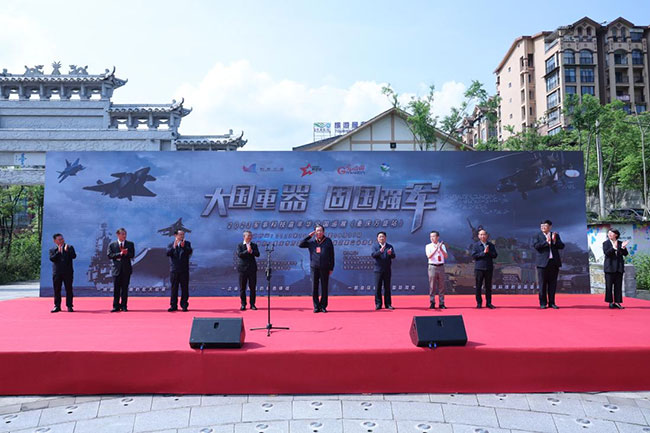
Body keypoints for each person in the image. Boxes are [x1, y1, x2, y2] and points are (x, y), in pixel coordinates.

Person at [299, 224, 335, 313]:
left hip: (325, 267)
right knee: (314, 287)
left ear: (323, 232)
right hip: (314, 268)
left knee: (324, 287)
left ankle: (323, 306)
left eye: (321, 230)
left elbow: (332, 255)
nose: (319, 232)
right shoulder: (311, 242)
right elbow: (300, 244)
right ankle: (316, 306)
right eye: (317, 231)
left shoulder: (328, 241)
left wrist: (331, 268)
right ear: (315, 232)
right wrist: (308, 236)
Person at [533, 219, 564, 309]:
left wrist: (554, 241)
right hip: (542, 264)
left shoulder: (555, 235)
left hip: (553, 263)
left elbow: (562, 246)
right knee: (542, 284)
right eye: (541, 226)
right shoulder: (537, 236)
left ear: (550, 227)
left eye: (545, 226)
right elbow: (536, 246)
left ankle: (552, 303)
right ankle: (543, 303)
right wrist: (546, 242)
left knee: (552, 284)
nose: (543, 227)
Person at [107, 228, 135, 312]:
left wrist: (126, 253)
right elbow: (109, 255)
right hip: (116, 270)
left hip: (126, 269)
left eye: (125, 234)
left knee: (124, 289)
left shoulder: (130, 244)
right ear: (118, 235)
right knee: (116, 289)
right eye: (122, 234)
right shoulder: (112, 245)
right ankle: (116, 306)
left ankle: (124, 306)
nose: (124, 236)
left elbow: (132, 255)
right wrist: (120, 254)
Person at [48, 233, 76, 312]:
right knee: (57, 289)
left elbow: (74, 256)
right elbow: (52, 259)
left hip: (68, 272)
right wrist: (58, 252)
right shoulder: (53, 249)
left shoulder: (69, 247)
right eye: (59, 239)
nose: (61, 241)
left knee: (69, 289)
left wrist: (67, 251)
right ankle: (57, 306)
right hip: (57, 273)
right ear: (55, 241)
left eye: (62, 239)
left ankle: (69, 306)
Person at [167, 229, 193, 312]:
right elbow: (168, 253)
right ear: (175, 235)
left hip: (184, 270)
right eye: (180, 234)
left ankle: (184, 305)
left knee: (184, 288)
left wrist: (183, 247)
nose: (182, 236)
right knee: (174, 289)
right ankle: (173, 305)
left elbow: (189, 251)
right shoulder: (171, 244)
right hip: (174, 270)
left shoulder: (187, 243)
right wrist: (174, 247)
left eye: (183, 234)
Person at [471, 229, 498, 309]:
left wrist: (488, 252)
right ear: (478, 236)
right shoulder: (475, 245)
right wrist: (483, 253)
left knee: (488, 287)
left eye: (484, 234)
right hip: (479, 268)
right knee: (478, 286)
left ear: (487, 235)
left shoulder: (491, 245)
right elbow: (474, 256)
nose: (483, 236)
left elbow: (495, 255)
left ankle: (488, 303)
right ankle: (479, 303)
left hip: (488, 268)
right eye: (481, 234)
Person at [603, 228, 629, 309]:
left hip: (619, 268)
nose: (609, 234)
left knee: (618, 286)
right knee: (609, 286)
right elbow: (607, 253)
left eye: (611, 233)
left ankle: (617, 302)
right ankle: (610, 302)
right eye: (608, 233)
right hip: (609, 268)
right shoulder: (606, 243)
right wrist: (613, 248)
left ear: (616, 235)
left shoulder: (620, 243)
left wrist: (623, 247)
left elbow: (625, 254)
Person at [371, 231, 396, 310]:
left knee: (387, 287)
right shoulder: (375, 246)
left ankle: (388, 304)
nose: (381, 238)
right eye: (380, 237)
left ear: (385, 238)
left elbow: (394, 256)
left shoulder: (389, 246)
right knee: (378, 287)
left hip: (387, 269)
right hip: (378, 270)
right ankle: (378, 304)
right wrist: (380, 251)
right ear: (377, 238)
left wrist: (390, 254)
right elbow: (373, 255)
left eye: (383, 237)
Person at [236, 230, 260, 311]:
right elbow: (239, 254)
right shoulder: (240, 245)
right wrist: (247, 251)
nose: (250, 237)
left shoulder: (254, 245)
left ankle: (252, 304)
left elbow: (258, 254)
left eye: (251, 236)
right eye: (248, 235)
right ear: (244, 237)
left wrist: (252, 251)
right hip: (242, 269)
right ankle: (243, 304)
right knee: (242, 288)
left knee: (252, 288)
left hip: (252, 269)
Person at [426, 231, 448, 309]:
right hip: (432, 267)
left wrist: (441, 249)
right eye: (431, 236)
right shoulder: (428, 246)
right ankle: (432, 302)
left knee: (441, 286)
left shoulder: (443, 246)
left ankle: (442, 303)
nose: (432, 238)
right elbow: (429, 256)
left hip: (441, 266)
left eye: (433, 236)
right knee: (432, 286)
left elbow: (446, 256)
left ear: (437, 237)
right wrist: (436, 249)